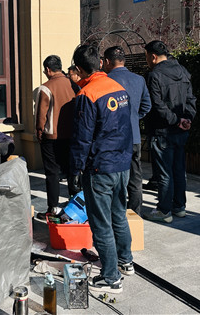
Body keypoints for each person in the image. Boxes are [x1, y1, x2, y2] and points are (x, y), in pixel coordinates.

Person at [69, 44, 134, 294]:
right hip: (122, 164)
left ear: (78, 68)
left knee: (101, 223)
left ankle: (111, 277)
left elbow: (82, 138)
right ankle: (125, 261)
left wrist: (76, 170)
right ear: (99, 62)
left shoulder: (87, 94)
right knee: (119, 215)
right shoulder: (118, 89)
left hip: (100, 167)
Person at [142, 40, 197, 223]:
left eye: (146, 57)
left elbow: (156, 105)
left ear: (153, 56)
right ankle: (179, 207)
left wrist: (176, 120)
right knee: (179, 170)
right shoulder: (182, 70)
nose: (147, 60)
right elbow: (191, 99)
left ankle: (164, 210)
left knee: (164, 173)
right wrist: (186, 118)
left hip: (162, 131)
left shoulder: (154, 75)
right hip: (180, 130)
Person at [102, 46, 151, 214]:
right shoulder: (139, 80)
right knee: (135, 176)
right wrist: (134, 117)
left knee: (115, 177)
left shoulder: (105, 81)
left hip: (113, 138)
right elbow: (147, 105)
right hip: (134, 136)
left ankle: (117, 211)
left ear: (107, 61)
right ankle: (135, 211)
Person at [35, 55, 77, 218]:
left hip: (51, 138)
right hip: (72, 136)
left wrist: (39, 132)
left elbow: (41, 115)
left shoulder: (45, 88)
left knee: (52, 174)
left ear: (47, 70)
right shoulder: (73, 85)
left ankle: (53, 208)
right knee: (71, 171)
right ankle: (75, 207)